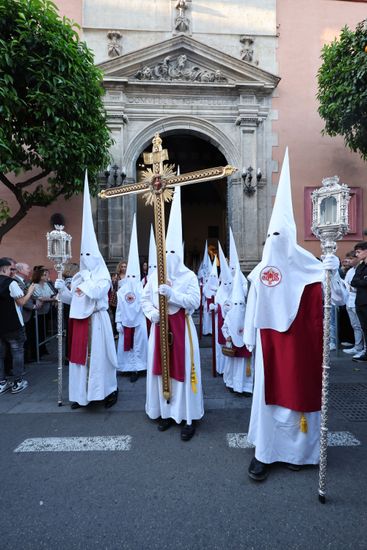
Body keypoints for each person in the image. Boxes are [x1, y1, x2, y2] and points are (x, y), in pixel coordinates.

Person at [244, 149, 347, 481]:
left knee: (302, 400)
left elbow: (340, 300)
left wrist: (332, 271)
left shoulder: (313, 268)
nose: (274, 243)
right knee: (268, 404)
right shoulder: (262, 271)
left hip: (303, 351)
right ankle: (265, 453)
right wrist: (248, 339)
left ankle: (301, 455)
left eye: (279, 237)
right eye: (270, 237)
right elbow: (252, 307)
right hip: (269, 346)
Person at [141, 186, 203, 441]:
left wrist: (172, 295)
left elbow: (195, 301)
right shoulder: (155, 274)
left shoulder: (188, 276)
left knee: (183, 369)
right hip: (159, 326)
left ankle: (187, 417)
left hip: (181, 327)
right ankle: (165, 412)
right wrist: (152, 313)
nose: (169, 257)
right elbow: (145, 298)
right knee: (160, 369)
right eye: (165, 253)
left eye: (173, 253)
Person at [55, 172, 118, 409]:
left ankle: (107, 391)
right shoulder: (80, 275)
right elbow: (75, 299)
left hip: (97, 321)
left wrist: (78, 286)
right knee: (79, 360)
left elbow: (97, 292)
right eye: (82, 255)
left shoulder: (102, 275)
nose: (85, 258)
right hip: (79, 322)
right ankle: (80, 395)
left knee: (100, 360)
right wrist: (63, 290)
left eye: (88, 254)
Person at [116, 214, 148, 383]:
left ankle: (140, 367)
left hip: (140, 322)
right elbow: (120, 307)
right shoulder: (122, 290)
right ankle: (127, 367)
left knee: (140, 345)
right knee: (126, 346)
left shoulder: (143, 289)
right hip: (126, 323)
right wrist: (119, 322)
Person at [0, 258, 35, 394]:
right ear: (4, 269)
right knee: (17, 352)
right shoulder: (11, 283)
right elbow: (21, 302)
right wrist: (30, 291)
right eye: (11, 269)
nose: (13, 271)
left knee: (0, 355)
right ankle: (17, 382)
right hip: (13, 324)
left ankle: (2, 382)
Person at [222, 267, 253, 396]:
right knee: (233, 366)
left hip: (245, 343)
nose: (238, 307)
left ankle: (246, 387)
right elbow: (224, 328)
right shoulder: (229, 315)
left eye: (241, 304)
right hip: (234, 344)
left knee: (245, 366)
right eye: (236, 304)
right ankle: (232, 384)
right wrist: (228, 336)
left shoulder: (247, 313)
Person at [343, 251, 365, 358]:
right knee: (355, 326)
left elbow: (357, 284)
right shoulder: (350, 271)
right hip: (349, 300)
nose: (349, 261)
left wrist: (353, 286)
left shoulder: (361, 268)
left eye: (352, 259)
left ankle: (364, 349)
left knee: (362, 326)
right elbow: (348, 283)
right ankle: (358, 346)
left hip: (358, 300)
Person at [351, 241, 367, 362]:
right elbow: (353, 282)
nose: (357, 254)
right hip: (359, 302)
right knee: (364, 328)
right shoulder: (361, 266)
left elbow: (360, 282)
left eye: (359, 251)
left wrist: (360, 281)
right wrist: (362, 281)